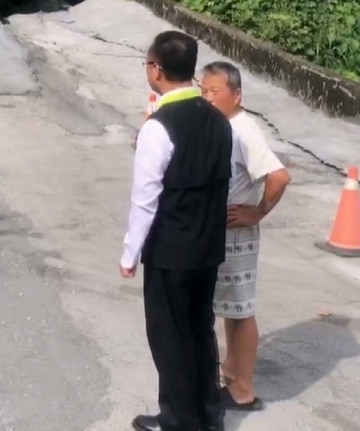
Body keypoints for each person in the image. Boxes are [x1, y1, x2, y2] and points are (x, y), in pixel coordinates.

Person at [121, 31, 233, 431]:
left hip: (171, 249)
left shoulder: (158, 126)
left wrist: (129, 253)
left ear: (156, 70)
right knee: (200, 330)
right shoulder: (221, 121)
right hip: (208, 246)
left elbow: (145, 198)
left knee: (170, 337)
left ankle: (179, 420)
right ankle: (208, 413)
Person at [199, 61, 291, 412]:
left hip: (237, 232)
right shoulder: (223, 126)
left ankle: (243, 389)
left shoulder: (244, 129)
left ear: (236, 95)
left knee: (240, 312)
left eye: (215, 91)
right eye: (203, 91)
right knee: (229, 309)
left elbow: (279, 177)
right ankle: (231, 371)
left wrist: (257, 212)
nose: (207, 98)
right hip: (222, 232)